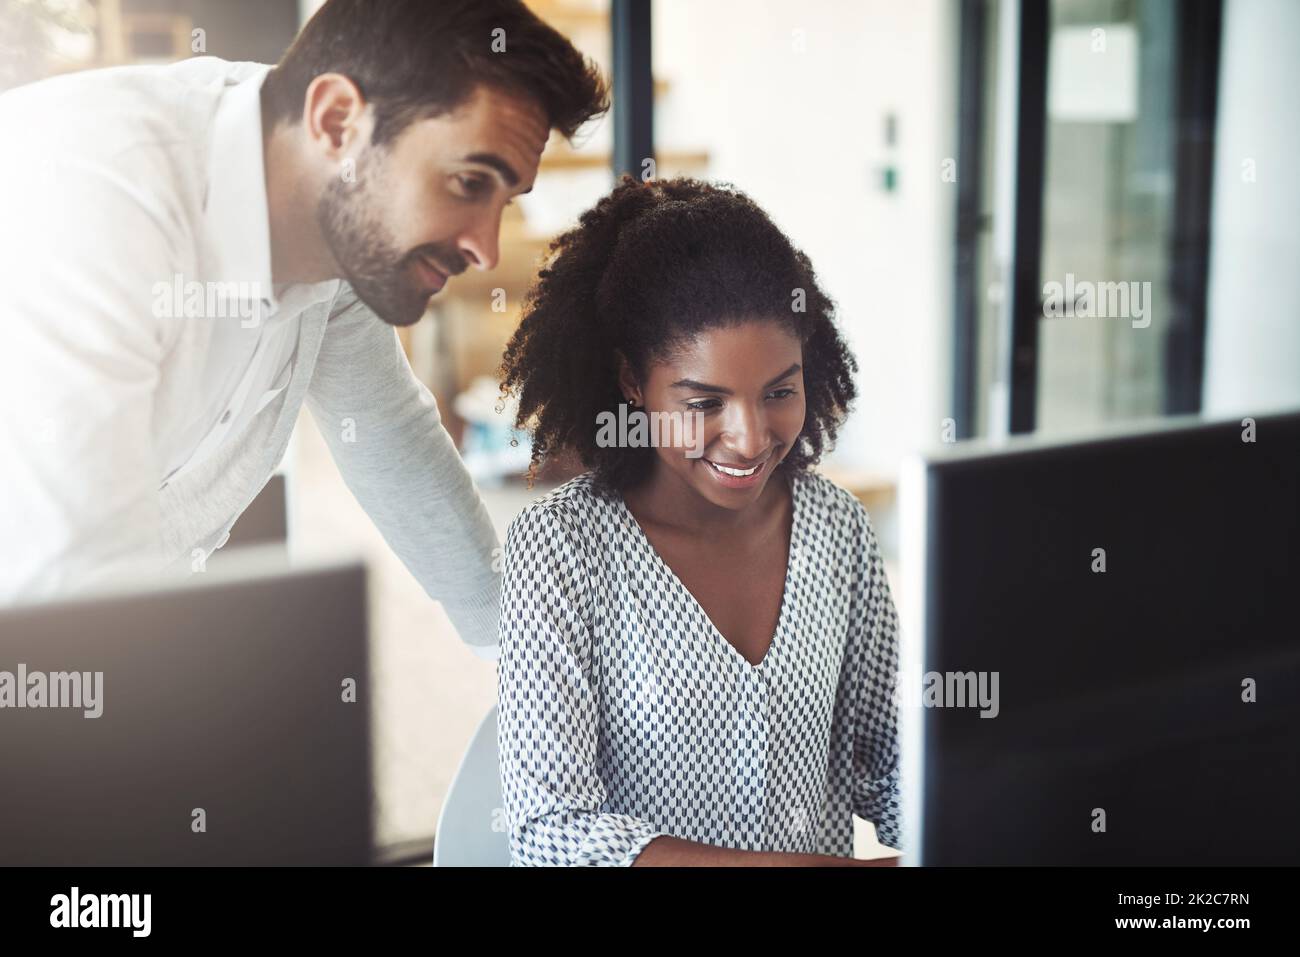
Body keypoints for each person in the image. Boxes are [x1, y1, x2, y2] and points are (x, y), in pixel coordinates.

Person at [0, 0, 607, 657]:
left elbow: (388, 434)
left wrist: (534, 659)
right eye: (468, 182)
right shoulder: (94, 199)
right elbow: (75, 588)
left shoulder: (331, 240)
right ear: (338, 121)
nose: (486, 250)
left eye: (504, 202)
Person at [495, 176, 903, 865]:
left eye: (780, 391)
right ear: (632, 382)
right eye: (704, 401)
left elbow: (889, 764)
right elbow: (551, 829)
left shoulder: (836, 527)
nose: (748, 437)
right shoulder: (561, 548)